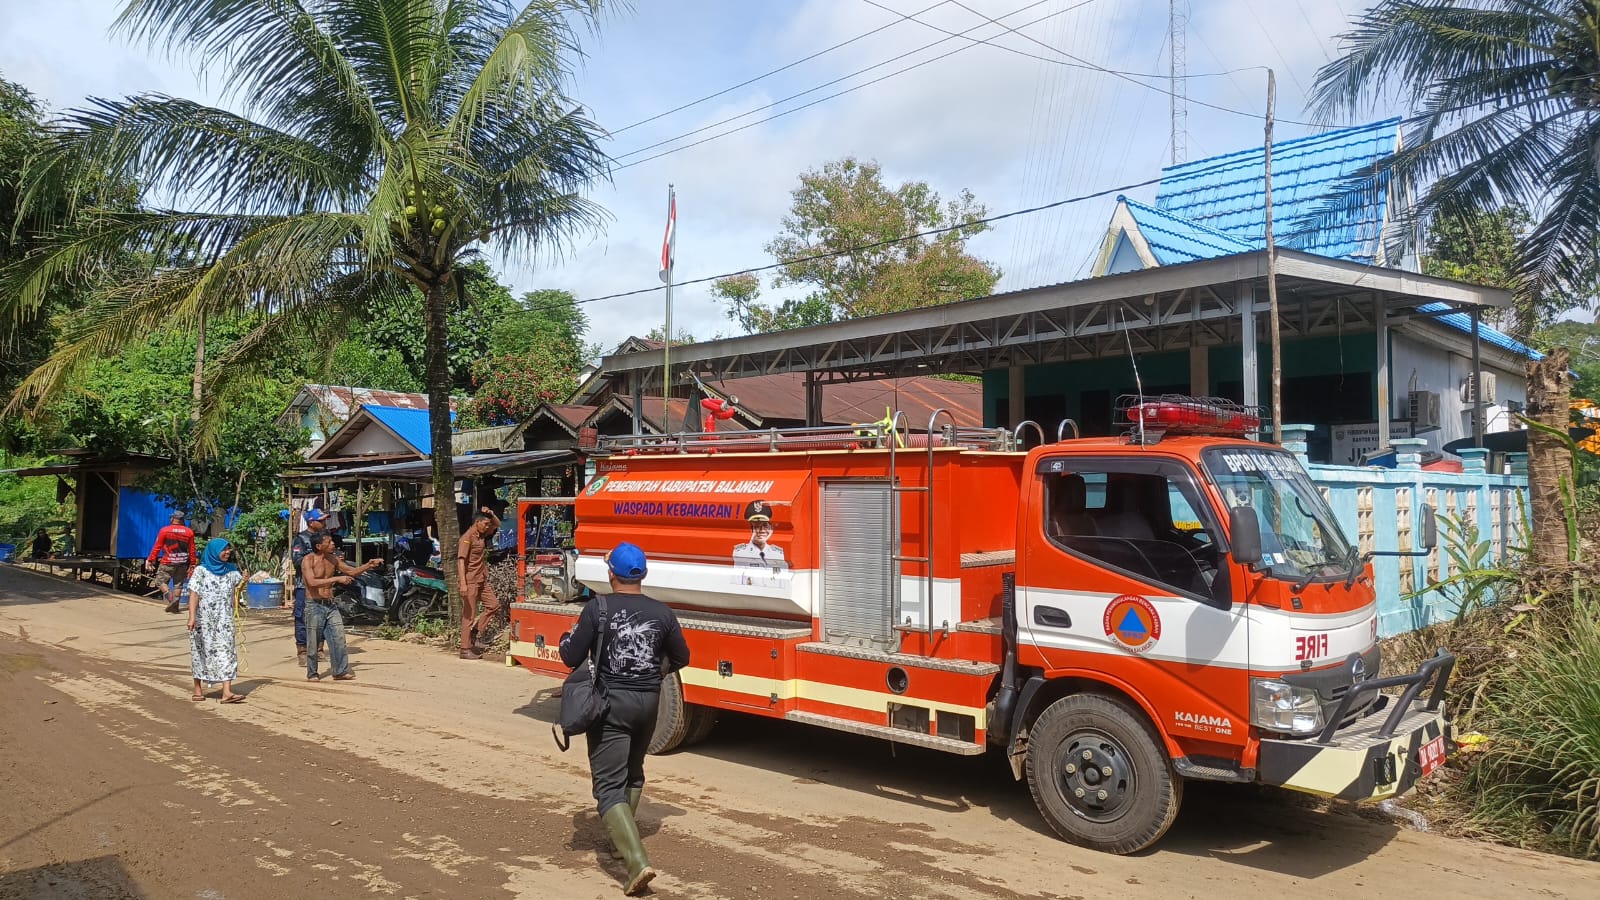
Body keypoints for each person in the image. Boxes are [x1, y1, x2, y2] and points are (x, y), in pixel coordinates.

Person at [559, 542, 689, 896]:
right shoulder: (662, 614)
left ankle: (636, 863)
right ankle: (619, 843)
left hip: (610, 706)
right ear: (643, 574)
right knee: (633, 772)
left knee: (607, 786)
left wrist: (565, 637)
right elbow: (681, 657)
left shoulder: (597, 608)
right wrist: (651, 672)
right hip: (648, 705)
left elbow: (571, 655)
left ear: (610, 573)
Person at [299, 531, 377, 682]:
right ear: (319, 546)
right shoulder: (308, 560)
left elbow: (351, 571)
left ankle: (340, 671)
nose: (333, 544)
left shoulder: (332, 559)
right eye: (329, 542)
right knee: (313, 642)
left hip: (330, 605)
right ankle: (312, 673)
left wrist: (368, 565)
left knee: (338, 638)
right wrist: (338, 578)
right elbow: (312, 582)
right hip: (314, 605)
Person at [187, 538, 247, 703]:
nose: (227, 552)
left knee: (227, 652)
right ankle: (198, 690)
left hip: (224, 620)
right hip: (203, 620)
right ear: (214, 551)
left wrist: (244, 580)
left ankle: (226, 692)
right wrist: (192, 616)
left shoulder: (232, 571)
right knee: (201, 652)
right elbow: (194, 594)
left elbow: (238, 588)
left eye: (229, 550)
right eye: (224, 550)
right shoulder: (201, 571)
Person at [456, 506, 502, 660]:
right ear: (477, 523)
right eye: (485, 524)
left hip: (481, 579)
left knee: (493, 605)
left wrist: (491, 513)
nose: (488, 527)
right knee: (468, 616)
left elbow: (497, 524)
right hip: (470, 581)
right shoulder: (467, 537)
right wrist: (463, 583)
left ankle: (475, 631)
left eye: (488, 525)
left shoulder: (481, 534)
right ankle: (465, 648)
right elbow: (461, 561)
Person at [290, 509, 329, 668]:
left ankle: (319, 649)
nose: (324, 523)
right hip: (303, 585)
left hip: (322, 584)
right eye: (321, 520)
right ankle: (302, 651)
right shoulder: (300, 539)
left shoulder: (326, 538)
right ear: (311, 522)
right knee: (301, 617)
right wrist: (315, 554)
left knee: (322, 616)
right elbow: (297, 560)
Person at [147, 510, 196, 614]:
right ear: (182, 520)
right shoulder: (189, 532)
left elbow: (158, 547)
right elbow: (192, 549)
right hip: (183, 562)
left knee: (160, 581)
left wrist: (151, 559)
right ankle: (175, 608)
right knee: (178, 584)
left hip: (168, 562)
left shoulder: (165, 530)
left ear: (172, 519)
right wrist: (192, 563)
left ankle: (170, 596)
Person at [732, 500, 786, 570]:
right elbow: (737, 580)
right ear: (751, 529)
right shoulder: (741, 553)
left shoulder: (778, 554)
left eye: (765, 525)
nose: (762, 530)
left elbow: (781, 579)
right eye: (757, 526)